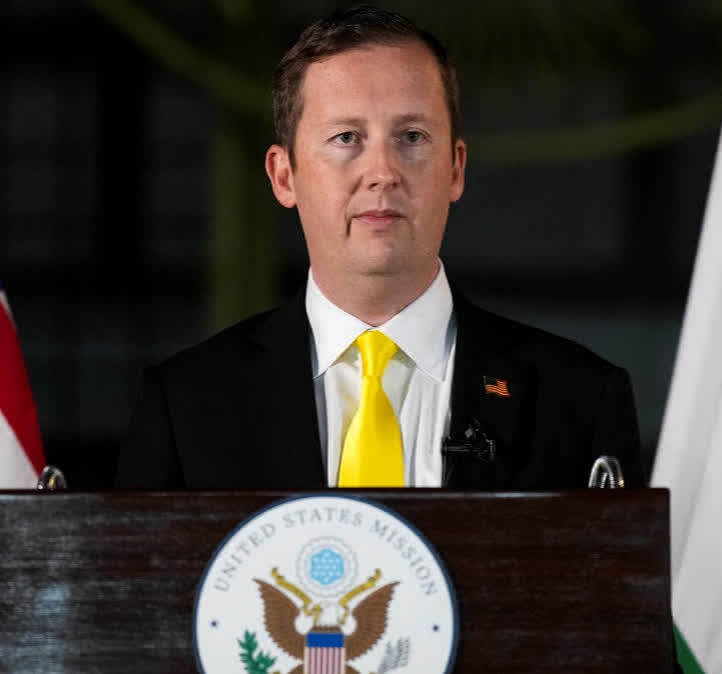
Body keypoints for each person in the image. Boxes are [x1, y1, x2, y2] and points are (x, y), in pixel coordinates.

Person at [115, 5, 643, 490]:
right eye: (347, 138)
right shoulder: (186, 404)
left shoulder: (578, 400)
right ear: (283, 176)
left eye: (411, 137)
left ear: (456, 168)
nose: (383, 172)